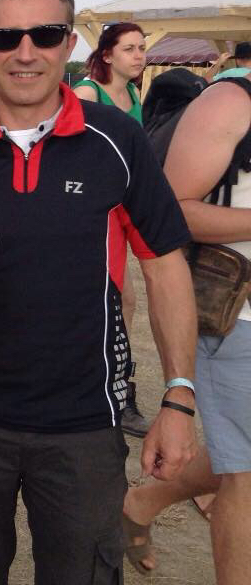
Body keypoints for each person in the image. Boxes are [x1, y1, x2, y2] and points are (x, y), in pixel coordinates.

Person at [0, 0, 197, 584]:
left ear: (69, 44)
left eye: (44, 34)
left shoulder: (116, 141)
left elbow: (165, 267)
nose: (25, 52)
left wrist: (178, 396)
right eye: (5, 37)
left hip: (83, 421)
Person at [121, 74, 251, 583]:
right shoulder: (232, 101)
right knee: (246, 473)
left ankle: (144, 500)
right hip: (239, 315)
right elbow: (172, 210)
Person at [74, 22, 152, 436]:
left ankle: (114, 383)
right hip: (93, 210)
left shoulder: (134, 94)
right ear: (107, 55)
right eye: (129, 49)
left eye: (141, 48)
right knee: (111, 297)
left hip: (123, 207)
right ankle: (109, 389)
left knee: (125, 300)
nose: (139, 56)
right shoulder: (88, 94)